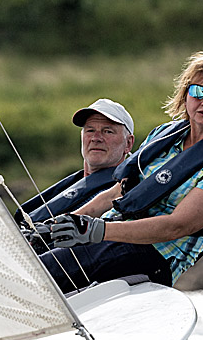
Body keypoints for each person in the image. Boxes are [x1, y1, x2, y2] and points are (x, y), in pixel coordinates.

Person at [38, 51, 203, 292]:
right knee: (33, 253)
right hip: (112, 234)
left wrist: (96, 230)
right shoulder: (164, 134)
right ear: (186, 95)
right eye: (198, 92)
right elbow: (118, 191)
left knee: (46, 270)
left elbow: (176, 226)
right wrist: (64, 224)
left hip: (154, 256)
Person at [15, 99, 135, 252]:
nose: (96, 138)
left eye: (108, 131)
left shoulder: (127, 192)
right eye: (90, 130)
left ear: (128, 144)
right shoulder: (73, 182)